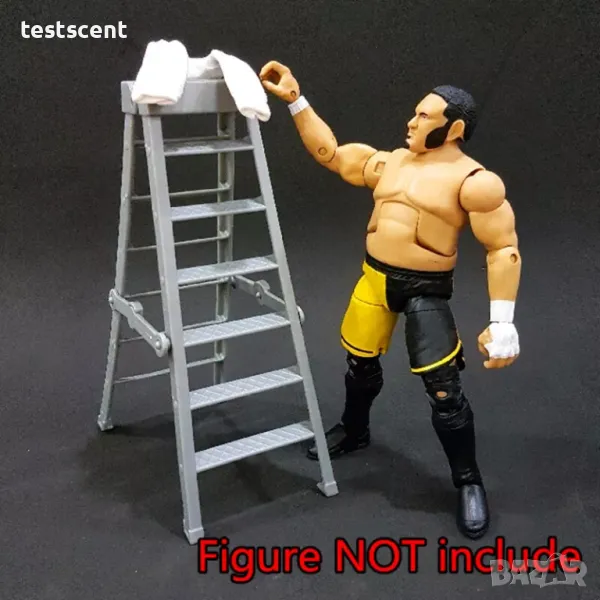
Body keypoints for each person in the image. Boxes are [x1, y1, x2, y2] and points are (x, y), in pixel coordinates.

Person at [259, 61, 521, 539]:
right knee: (359, 364)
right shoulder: (389, 162)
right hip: (375, 279)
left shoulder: (474, 181)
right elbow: (332, 154)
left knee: (444, 389)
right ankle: (354, 429)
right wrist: (296, 100)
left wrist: (502, 321)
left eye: (424, 116)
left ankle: (468, 480)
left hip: (426, 289)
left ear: (453, 128)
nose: (412, 122)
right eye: (415, 113)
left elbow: (502, 248)